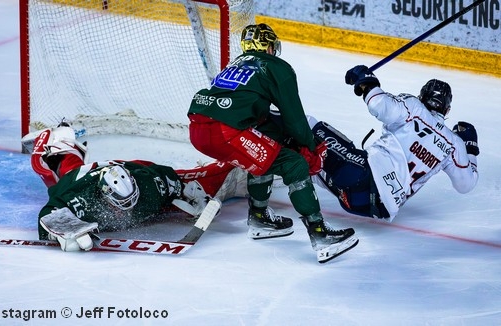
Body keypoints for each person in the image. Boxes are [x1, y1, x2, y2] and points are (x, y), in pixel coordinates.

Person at [187, 23, 358, 263]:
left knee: (268, 147)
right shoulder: (276, 66)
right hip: (225, 131)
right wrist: (309, 146)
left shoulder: (236, 63)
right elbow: (295, 118)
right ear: (268, 46)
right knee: (295, 164)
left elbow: (259, 117)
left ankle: (260, 219)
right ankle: (320, 235)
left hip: (198, 130)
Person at [29, 123, 247, 252]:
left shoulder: (147, 185)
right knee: (57, 170)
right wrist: (62, 230)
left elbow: (168, 178)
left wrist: (193, 196)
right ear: (105, 196)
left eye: (130, 201)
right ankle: (59, 139)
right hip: (81, 177)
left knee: (198, 182)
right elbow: (51, 209)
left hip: (136, 168)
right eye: (120, 204)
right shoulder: (79, 196)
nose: (127, 209)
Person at [307, 65, 479, 221]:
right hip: (374, 207)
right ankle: (289, 167)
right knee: (315, 168)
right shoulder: (453, 144)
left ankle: (284, 160)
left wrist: (367, 81)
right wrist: (470, 148)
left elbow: (378, 105)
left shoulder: (414, 107)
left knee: (309, 126)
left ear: (421, 97)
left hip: (362, 176)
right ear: (447, 110)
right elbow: (466, 184)